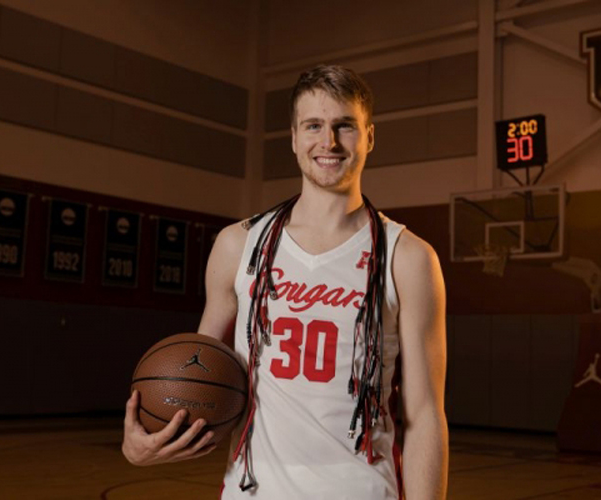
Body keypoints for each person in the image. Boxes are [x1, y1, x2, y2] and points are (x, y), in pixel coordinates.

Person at [122, 65, 448, 499]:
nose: (328, 142)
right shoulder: (237, 246)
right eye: (313, 125)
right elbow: (197, 377)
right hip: (252, 491)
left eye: (344, 126)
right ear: (294, 138)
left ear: (369, 137)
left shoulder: (408, 258)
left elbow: (425, 414)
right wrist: (140, 444)